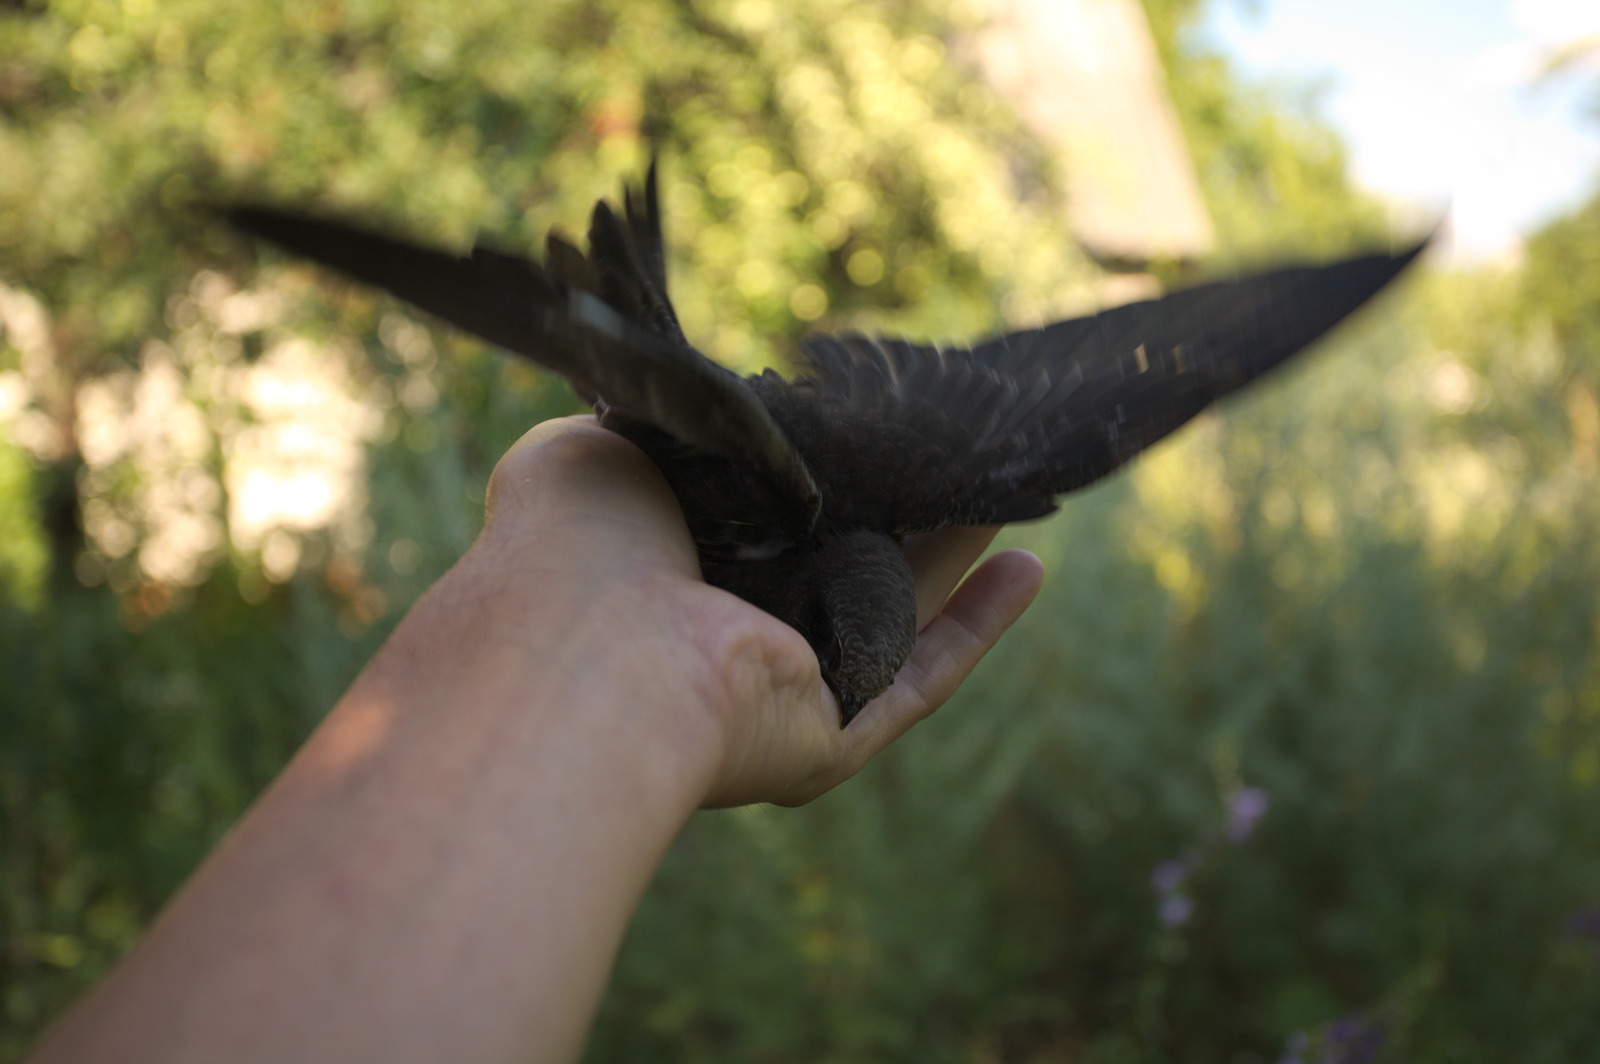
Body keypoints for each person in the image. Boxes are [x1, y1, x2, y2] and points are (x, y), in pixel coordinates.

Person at [25, 417, 1044, 1064]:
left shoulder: (819, 593)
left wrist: (639, 666)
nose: (828, 691)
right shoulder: (744, 484)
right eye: (832, 663)